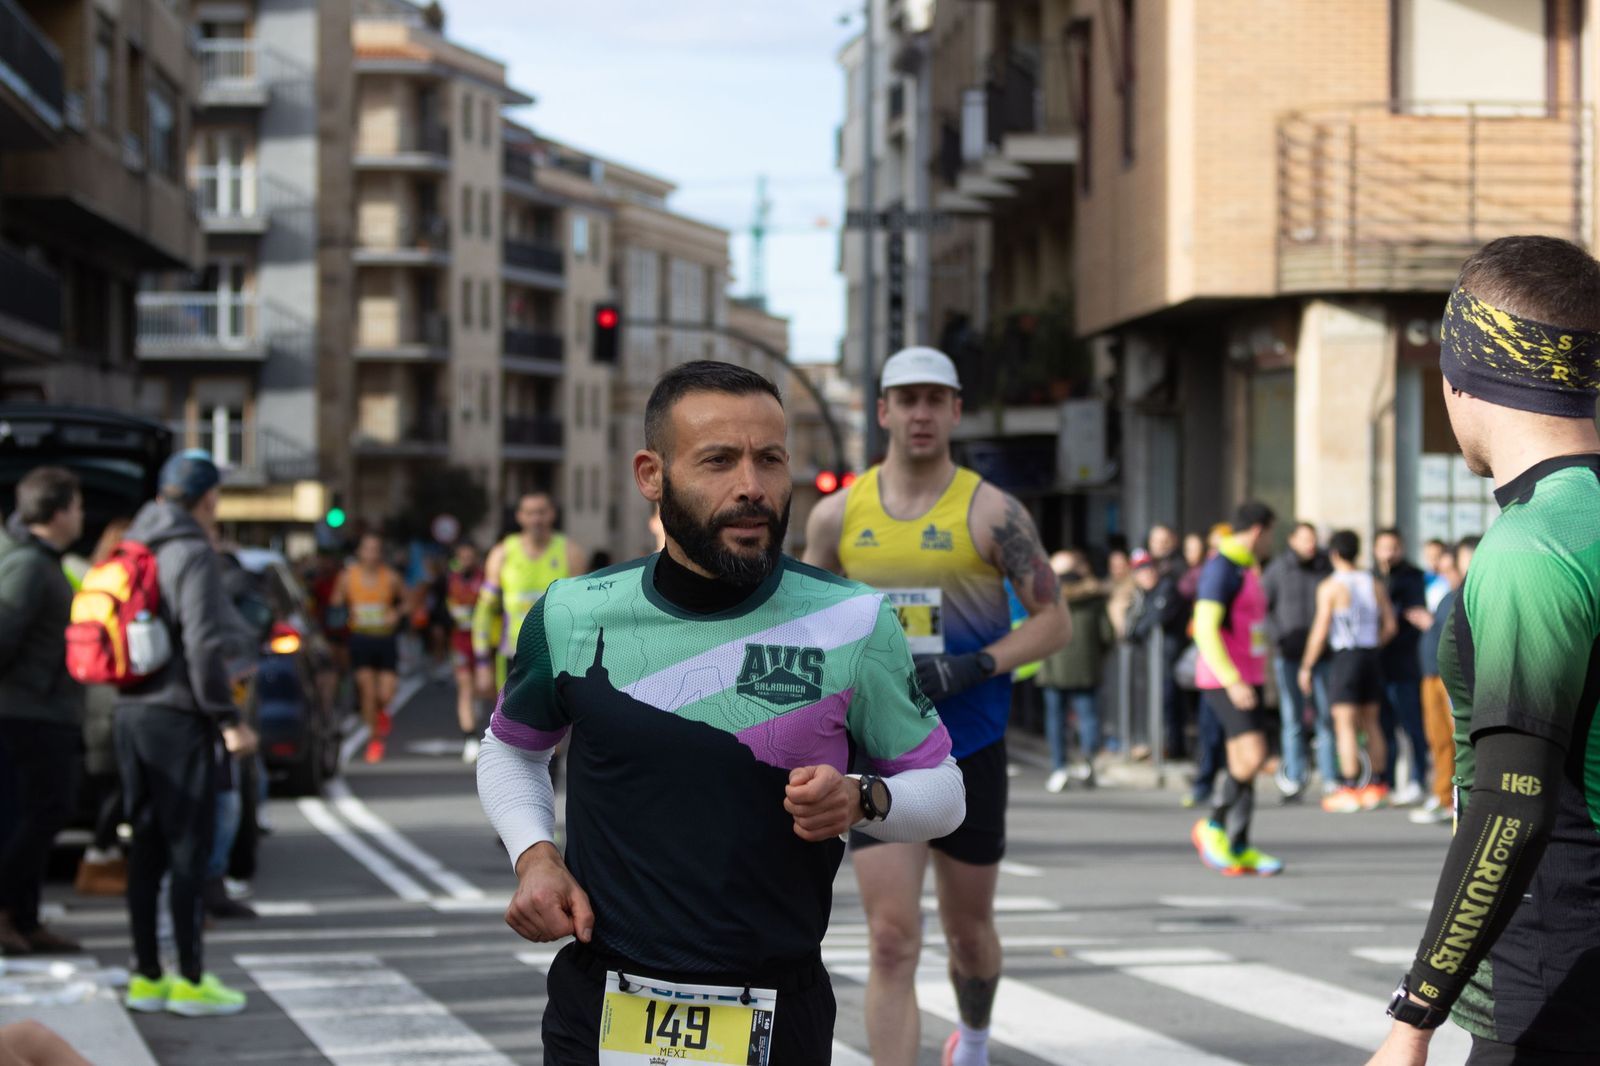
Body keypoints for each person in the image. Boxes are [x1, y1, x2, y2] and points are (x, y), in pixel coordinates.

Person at [477, 360, 967, 1065]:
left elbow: (945, 792)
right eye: (719, 461)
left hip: (777, 1005)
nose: (751, 487)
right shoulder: (573, 613)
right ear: (652, 475)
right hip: (603, 1000)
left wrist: (864, 799)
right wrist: (534, 854)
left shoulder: (854, 620)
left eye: (770, 460)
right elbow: (511, 748)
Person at [1365, 237, 1600, 1065]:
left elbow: (1510, 807)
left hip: (1555, 971)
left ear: (1459, 377)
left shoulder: (1532, 546)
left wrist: (1413, 1016)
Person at [804, 346, 1070, 1066]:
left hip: (971, 747)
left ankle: (974, 1039)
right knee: (890, 940)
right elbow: (810, 624)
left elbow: (1054, 620)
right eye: (906, 398)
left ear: (955, 410)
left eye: (935, 399)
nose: (920, 413)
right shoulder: (835, 516)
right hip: (879, 754)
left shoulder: (994, 511)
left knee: (969, 935)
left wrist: (973, 666)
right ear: (883, 410)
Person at [116, 450, 254, 1016]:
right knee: (189, 852)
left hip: (129, 711)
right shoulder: (192, 550)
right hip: (178, 715)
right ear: (208, 499)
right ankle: (191, 981)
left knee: (145, 848)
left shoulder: (133, 543)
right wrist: (225, 717)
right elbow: (201, 643)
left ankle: (147, 976)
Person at [0, 467, 85, 955]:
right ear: (56, 512)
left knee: (46, 813)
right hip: (27, 714)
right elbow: (5, 636)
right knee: (35, 815)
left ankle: (26, 918)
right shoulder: (28, 567)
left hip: (46, 710)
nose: (81, 515)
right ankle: (7, 912)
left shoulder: (43, 562)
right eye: (75, 506)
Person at [1187, 501, 1284, 877]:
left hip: (1249, 676)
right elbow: (1205, 628)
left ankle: (1240, 844)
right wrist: (1232, 680)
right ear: (1258, 530)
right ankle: (1212, 826)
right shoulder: (1222, 567)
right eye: (1271, 533)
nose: (1271, 541)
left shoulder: (1245, 566)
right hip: (1225, 679)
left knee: (1240, 762)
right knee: (1254, 756)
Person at [1300, 530, 1398, 813]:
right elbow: (1390, 625)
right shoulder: (1373, 582)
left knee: (1344, 724)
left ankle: (1348, 786)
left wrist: (1307, 665)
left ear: (1333, 554)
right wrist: (1373, 645)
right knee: (1371, 722)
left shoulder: (1331, 586)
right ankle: (1378, 785)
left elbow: (1320, 631)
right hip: (1369, 655)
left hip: (1346, 656)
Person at [472, 492, 588, 699]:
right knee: (509, 726)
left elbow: (583, 612)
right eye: (530, 513)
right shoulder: (502, 553)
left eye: (542, 512)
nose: (536, 519)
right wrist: (481, 662)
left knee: (559, 727)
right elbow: (485, 610)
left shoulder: (570, 552)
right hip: (513, 654)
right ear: (520, 516)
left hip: (557, 655)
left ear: (552, 514)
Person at [73, 517, 134, 898]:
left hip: (88, 695)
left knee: (109, 787)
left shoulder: (89, 579)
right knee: (120, 790)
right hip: (117, 696)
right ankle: (98, 860)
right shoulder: (124, 582)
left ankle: (101, 856)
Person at [1262, 521, 1334, 800]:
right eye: (1304, 539)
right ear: (1291, 540)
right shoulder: (1278, 569)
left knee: (1324, 717)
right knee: (1292, 718)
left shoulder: (1325, 567)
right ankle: (1294, 778)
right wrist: (1277, 637)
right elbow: (1263, 607)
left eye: (1313, 539)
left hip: (1321, 655)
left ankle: (1330, 779)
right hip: (1289, 655)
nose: (1310, 545)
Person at [1410, 537, 1475, 827]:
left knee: (1455, 738)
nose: (1448, 574)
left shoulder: (1467, 593)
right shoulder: (1446, 595)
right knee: (1437, 739)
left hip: (1450, 679)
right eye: (1445, 569)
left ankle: (1453, 797)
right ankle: (1441, 795)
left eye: (1452, 568)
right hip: (1430, 674)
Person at [1038, 550, 1112, 792]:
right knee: (1089, 717)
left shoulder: (1044, 599)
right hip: (1086, 668)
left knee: (1056, 721)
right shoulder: (1095, 598)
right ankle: (1088, 761)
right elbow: (1107, 634)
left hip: (1053, 668)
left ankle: (1059, 768)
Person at [331, 531, 405, 763]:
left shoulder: (391, 577)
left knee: (385, 693)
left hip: (385, 640)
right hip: (360, 638)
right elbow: (335, 604)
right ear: (360, 552)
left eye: (376, 550)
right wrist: (343, 613)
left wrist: (396, 613)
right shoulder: (347, 577)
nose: (372, 554)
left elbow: (408, 601)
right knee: (368, 691)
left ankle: (381, 714)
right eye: (368, 549)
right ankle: (374, 740)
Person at [1375, 528, 1435, 806]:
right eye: (1384, 547)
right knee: (1384, 726)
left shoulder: (1411, 576)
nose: (1389, 553)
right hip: (1378, 664)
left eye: (1394, 547)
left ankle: (1417, 779)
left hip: (1405, 662)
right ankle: (1385, 780)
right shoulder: (1371, 576)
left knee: (1412, 726)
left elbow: (1413, 613)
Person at [445, 541, 486, 763]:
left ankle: (486, 716)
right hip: (459, 641)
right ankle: (470, 738)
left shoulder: (487, 578)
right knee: (465, 686)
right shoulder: (449, 580)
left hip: (484, 641)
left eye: (470, 557)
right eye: (462, 557)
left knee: (487, 688)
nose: (466, 561)